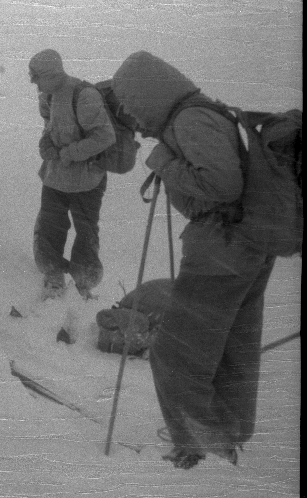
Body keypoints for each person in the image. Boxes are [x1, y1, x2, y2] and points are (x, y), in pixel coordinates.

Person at [112, 50, 276, 469]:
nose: (131, 115)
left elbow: (221, 185)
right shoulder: (198, 115)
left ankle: (202, 447)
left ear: (150, 93)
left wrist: (166, 163)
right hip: (245, 246)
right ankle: (229, 438)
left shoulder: (190, 120)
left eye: (131, 102)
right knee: (230, 349)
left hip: (221, 250)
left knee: (175, 353)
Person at [28, 49, 116, 299]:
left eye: (37, 77)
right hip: (56, 176)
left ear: (54, 74)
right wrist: (46, 142)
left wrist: (69, 153)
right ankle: (53, 274)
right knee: (50, 225)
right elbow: (50, 123)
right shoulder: (47, 95)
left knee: (86, 230)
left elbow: (105, 136)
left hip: (88, 178)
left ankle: (84, 282)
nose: (34, 83)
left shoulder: (84, 96)